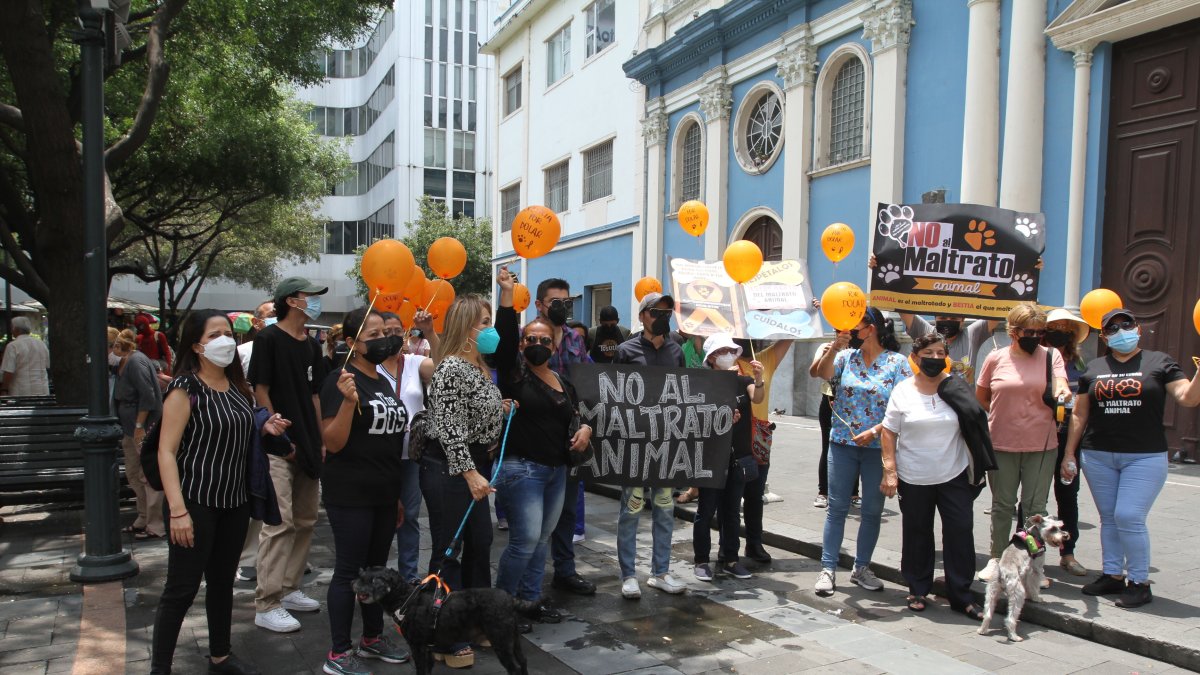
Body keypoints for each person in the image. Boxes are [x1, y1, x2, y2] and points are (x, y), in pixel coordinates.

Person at [151, 309, 290, 675]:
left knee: (222, 584)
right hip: (195, 502)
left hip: (234, 503)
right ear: (196, 345)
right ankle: (159, 668)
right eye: (214, 335)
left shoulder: (239, 389)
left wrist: (265, 426)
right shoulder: (185, 388)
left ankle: (220, 657)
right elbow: (166, 451)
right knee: (181, 589)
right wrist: (177, 511)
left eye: (227, 333)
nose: (224, 340)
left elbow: (240, 434)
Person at [1063, 308, 1200, 608]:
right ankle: (1113, 575)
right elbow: (1080, 414)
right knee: (1109, 518)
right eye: (1113, 327)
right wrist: (1069, 453)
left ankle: (1139, 582)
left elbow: (1188, 397)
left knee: (1129, 516)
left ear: (1137, 328)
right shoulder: (1094, 367)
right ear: (1104, 336)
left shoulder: (1159, 362)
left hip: (1144, 456)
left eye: (1126, 324)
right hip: (1098, 455)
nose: (1121, 330)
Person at [493, 268, 592, 631]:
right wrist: (507, 296)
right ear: (522, 344)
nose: (538, 344)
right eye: (530, 339)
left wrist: (585, 428)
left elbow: (576, 416)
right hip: (523, 471)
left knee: (541, 541)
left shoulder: (563, 381)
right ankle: (502, 606)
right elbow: (503, 340)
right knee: (524, 541)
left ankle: (529, 600)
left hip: (556, 472)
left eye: (545, 341)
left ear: (554, 346)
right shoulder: (515, 374)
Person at [319, 307, 411, 674]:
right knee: (349, 572)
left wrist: (397, 495)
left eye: (385, 333)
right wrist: (347, 402)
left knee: (375, 570)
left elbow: (389, 443)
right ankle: (339, 653)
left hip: (384, 494)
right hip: (351, 493)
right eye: (372, 335)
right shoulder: (340, 381)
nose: (382, 339)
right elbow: (333, 442)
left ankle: (372, 639)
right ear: (352, 343)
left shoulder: (384, 380)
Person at [422, 295, 508, 669]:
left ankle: (475, 622)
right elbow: (448, 429)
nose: (491, 328)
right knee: (449, 551)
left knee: (479, 543)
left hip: (471, 464)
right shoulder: (451, 368)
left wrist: (500, 407)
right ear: (466, 328)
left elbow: (472, 412)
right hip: (450, 467)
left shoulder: (478, 366)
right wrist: (470, 472)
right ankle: (443, 636)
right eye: (484, 321)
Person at [881, 334, 982, 617]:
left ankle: (961, 594)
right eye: (929, 352)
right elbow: (889, 431)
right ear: (915, 357)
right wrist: (890, 471)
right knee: (917, 533)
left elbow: (975, 422)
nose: (935, 358)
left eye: (941, 353)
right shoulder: (903, 391)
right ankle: (917, 588)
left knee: (960, 532)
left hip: (954, 473)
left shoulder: (956, 387)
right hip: (914, 477)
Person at [249, 277, 329, 633]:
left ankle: (290, 587)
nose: (313, 303)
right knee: (279, 523)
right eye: (309, 297)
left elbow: (314, 395)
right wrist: (274, 427)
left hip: (309, 443)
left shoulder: (311, 345)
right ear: (292, 301)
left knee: (306, 520)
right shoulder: (267, 340)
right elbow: (260, 389)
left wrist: (319, 438)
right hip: (277, 446)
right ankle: (266, 602)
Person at [811, 307, 907, 594]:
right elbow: (821, 374)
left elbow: (900, 406)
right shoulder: (844, 357)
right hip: (842, 443)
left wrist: (876, 430)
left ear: (873, 327)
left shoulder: (897, 362)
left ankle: (861, 567)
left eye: (857, 325)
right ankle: (827, 568)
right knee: (836, 508)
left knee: (872, 510)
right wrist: (833, 348)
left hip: (878, 447)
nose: (851, 330)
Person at [975, 302, 1069, 582]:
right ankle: (996, 559)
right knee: (1002, 505)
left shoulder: (1051, 356)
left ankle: (1032, 567)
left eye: (1040, 332)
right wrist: (1002, 413)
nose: (1035, 336)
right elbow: (981, 396)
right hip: (1001, 442)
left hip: (1041, 445)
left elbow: (1061, 382)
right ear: (1013, 331)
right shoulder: (996, 357)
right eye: (1029, 331)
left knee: (1034, 509)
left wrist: (1063, 391)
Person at [614, 292, 688, 598]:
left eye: (668, 312)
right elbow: (613, 394)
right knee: (631, 509)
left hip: (666, 446)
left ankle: (660, 572)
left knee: (664, 509)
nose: (663, 317)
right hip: (635, 446)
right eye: (657, 312)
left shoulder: (676, 351)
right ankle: (628, 574)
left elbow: (686, 393)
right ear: (643, 315)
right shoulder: (625, 350)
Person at [533, 278, 598, 597]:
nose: (561, 307)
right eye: (554, 301)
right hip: (536, 438)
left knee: (567, 511)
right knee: (534, 518)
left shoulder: (575, 339)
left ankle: (565, 571)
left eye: (565, 302)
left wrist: (586, 424)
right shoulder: (529, 337)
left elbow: (587, 383)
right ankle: (528, 582)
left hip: (570, 438)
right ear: (539, 305)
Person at [692, 335, 763, 582]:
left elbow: (758, 397)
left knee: (732, 510)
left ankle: (730, 558)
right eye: (723, 351)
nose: (729, 355)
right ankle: (701, 559)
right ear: (711, 358)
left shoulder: (742, 381)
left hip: (738, 456)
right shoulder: (703, 383)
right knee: (706, 509)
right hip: (711, 456)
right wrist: (719, 417)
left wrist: (759, 378)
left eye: (731, 350)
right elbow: (695, 418)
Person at [377, 311, 437, 584]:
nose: (392, 336)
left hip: (411, 454)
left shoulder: (414, 363)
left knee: (410, 516)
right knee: (380, 516)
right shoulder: (370, 367)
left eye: (396, 331)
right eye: (385, 331)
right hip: (378, 456)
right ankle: (375, 573)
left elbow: (445, 366)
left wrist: (430, 332)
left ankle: (408, 576)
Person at [1042, 308, 1092, 577]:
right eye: (1055, 326)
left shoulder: (1079, 365)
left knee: (1068, 495)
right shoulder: (1034, 358)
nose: (1060, 331)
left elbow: (1081, 406)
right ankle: (1029, 553)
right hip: (1037, 434)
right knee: (1032, 497)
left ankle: (1068, 553)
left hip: (1067, 436)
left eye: (1066, 327)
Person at [736, 339, 792, 564]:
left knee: (755, 494)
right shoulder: (724, 357)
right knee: (729, 495)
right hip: (733, 434)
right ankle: (727, 547)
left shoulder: (765, 358)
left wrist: (807, 309)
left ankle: (754, 543)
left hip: (759, 437)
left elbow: (791, 334)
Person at [111, 329, 165, 541]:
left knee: (147, 475)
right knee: (134, 473)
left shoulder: (136, 362)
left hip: (141, 427)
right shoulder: (122, 363)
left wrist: (140, 424)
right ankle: (143, 518)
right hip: (129, 426)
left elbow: (148, 394)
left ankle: (155, 524)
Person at [809, 340, 859, 509]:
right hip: (830, 400)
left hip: (853, 403)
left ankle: (853, 493)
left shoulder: (859, 350)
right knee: (828, 446)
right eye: (838, 331)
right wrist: (828, 353)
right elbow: (813, 372)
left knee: (855, 446)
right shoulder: (825, 346)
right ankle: (823, 492)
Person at [0, 317, 49, 397]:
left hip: (21, 392)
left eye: (12, 328)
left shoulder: (13, 346)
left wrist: (4, 389)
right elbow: (47, 365)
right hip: (42, 390)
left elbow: (8, 371)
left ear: (16, 329)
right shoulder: (41, 344)